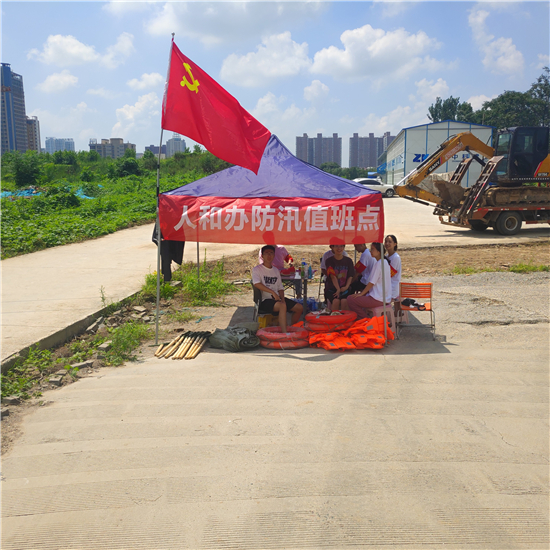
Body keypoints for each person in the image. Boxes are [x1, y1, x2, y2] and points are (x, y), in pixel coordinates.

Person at [252, 245, 303, 333]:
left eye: (271, 253)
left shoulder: (276, 270)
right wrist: (272, 292)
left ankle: (292, 327)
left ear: (274, 255)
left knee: (299, 308)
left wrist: (282, 299)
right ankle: (285, 333)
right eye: (266, 253)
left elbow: (280, 287)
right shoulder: (257, 269)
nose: (269, 255)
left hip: (277, 299)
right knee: (282, 306)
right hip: (265, 301)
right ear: (262, 256)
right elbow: (256, 283)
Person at [347, 242, 392, 319]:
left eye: (372, 249)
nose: (371, 251)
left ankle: (366, 319)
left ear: (379, 252)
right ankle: (365, 317)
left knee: (350, 299)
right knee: (358, 297)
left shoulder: (379, 264)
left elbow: (371, 282)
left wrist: (361, 294)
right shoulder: (384, 262)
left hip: (378, 298)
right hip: (383, 297)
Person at [324, 244, 355, 311]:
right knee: (336, 301)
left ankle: (344, 317)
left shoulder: (349, 261)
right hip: (331, 288)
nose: (339, 248)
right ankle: (334, 316)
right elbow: (333, 276)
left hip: (344, 288)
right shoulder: (329, 261)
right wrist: (338, 289)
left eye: (341, 246)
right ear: (332, 247)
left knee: (344, 301)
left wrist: (346, 287)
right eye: (336, 246)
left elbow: (350, 276)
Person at [384, 234, 402, 307]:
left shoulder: (396, 257)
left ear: (395, 244)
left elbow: (390, 274)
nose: (387, 243)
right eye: (386, 241)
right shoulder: (387, 256)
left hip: (392, 287)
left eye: (389, 242)